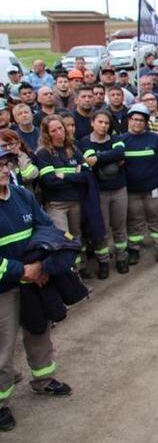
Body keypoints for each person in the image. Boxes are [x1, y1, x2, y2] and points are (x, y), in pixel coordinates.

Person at [0, 148, 72, 433]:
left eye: (6, 164)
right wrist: (23, 270)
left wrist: (41, 264)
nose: (5, 170)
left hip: (34, 279)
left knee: (39, 330)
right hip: (5, 288)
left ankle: (43, 379)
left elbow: (45, 230)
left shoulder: (22, 196)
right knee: (3, 346)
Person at [35, 115, 93, 279]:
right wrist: (74, 176)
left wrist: (64, 176)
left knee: (76, 237)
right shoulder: (44, 153)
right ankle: (70, 277)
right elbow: (50, 181)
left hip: (75, 202)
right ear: (47, 133)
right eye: (53, 130)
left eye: (60, 128)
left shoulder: (73, 149)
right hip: (56, 205)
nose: (58, 133)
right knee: (64, 240)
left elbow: (86, 176)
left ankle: (80, 268)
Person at [121, 104, 158, 264]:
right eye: (135, 120)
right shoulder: (121, 141)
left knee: (157, 218)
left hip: (155, 188)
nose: (138, 123)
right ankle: (134, 249)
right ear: (129, 120)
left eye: (141, 120)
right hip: (132, 190)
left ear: (146, 122)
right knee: (134, 221)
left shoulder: (155, 139)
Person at [80, 109, 129, 277]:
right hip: (99, 192)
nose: (103, 126)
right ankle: (103, 262)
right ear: (92, 123)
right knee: (101, 230)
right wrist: (111, 157)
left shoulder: (116, 138)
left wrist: (99, 158)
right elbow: (89, 159)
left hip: (119, 189)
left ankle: (121, 258)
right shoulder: (85, 142)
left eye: (107, 123)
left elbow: (120, 153)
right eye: (100, 122)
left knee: (120, 226)